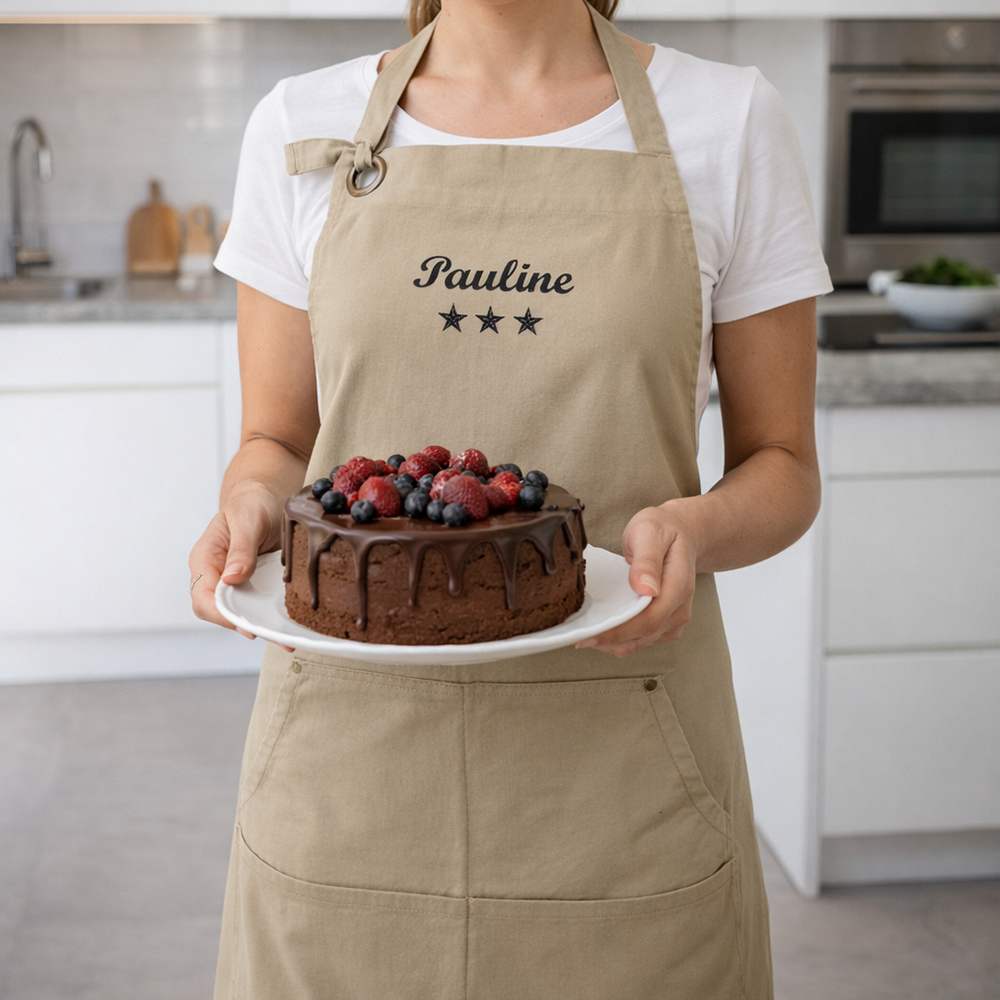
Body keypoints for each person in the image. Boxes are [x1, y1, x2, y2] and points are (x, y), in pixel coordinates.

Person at [189, 1, 830, 996]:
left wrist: (692, 528)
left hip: (629, 767)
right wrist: (251, 508)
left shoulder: (730, 120)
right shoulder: (301, 121)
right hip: (349, 764)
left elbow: (782, 463)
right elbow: (274, 442)